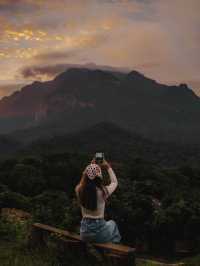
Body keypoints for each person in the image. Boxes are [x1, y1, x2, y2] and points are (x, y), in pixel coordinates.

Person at [75, 158, 121, 243]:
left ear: (85, 175)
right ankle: (112, 249)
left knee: (109, 225)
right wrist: (108, 167)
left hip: (84, 233)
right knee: (112, 224)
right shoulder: (103, 192)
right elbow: (114, 182)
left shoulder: (79, 190)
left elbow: (83, 180)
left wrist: (90, 166)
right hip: (99, 232)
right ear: (99, 178)